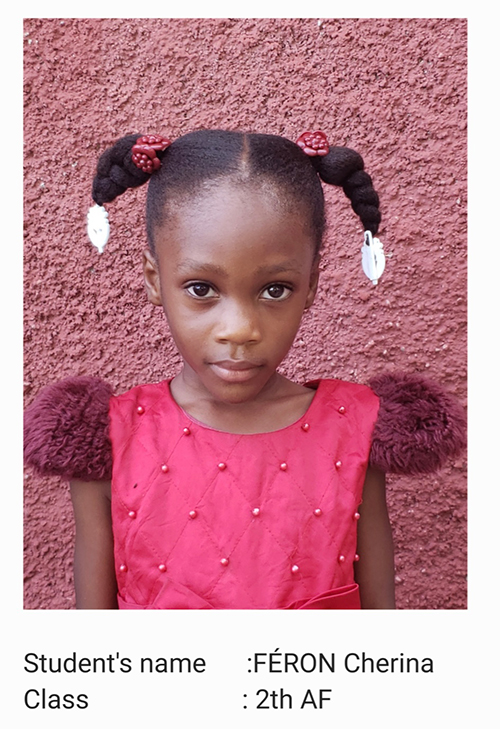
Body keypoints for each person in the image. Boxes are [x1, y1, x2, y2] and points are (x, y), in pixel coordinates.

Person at [24, 129, 466, 610]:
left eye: (275, 290)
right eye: (200, 288)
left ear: (311, 284)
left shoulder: (356, 432)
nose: (239, 330)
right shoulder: (106, 440)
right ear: (156, 280)